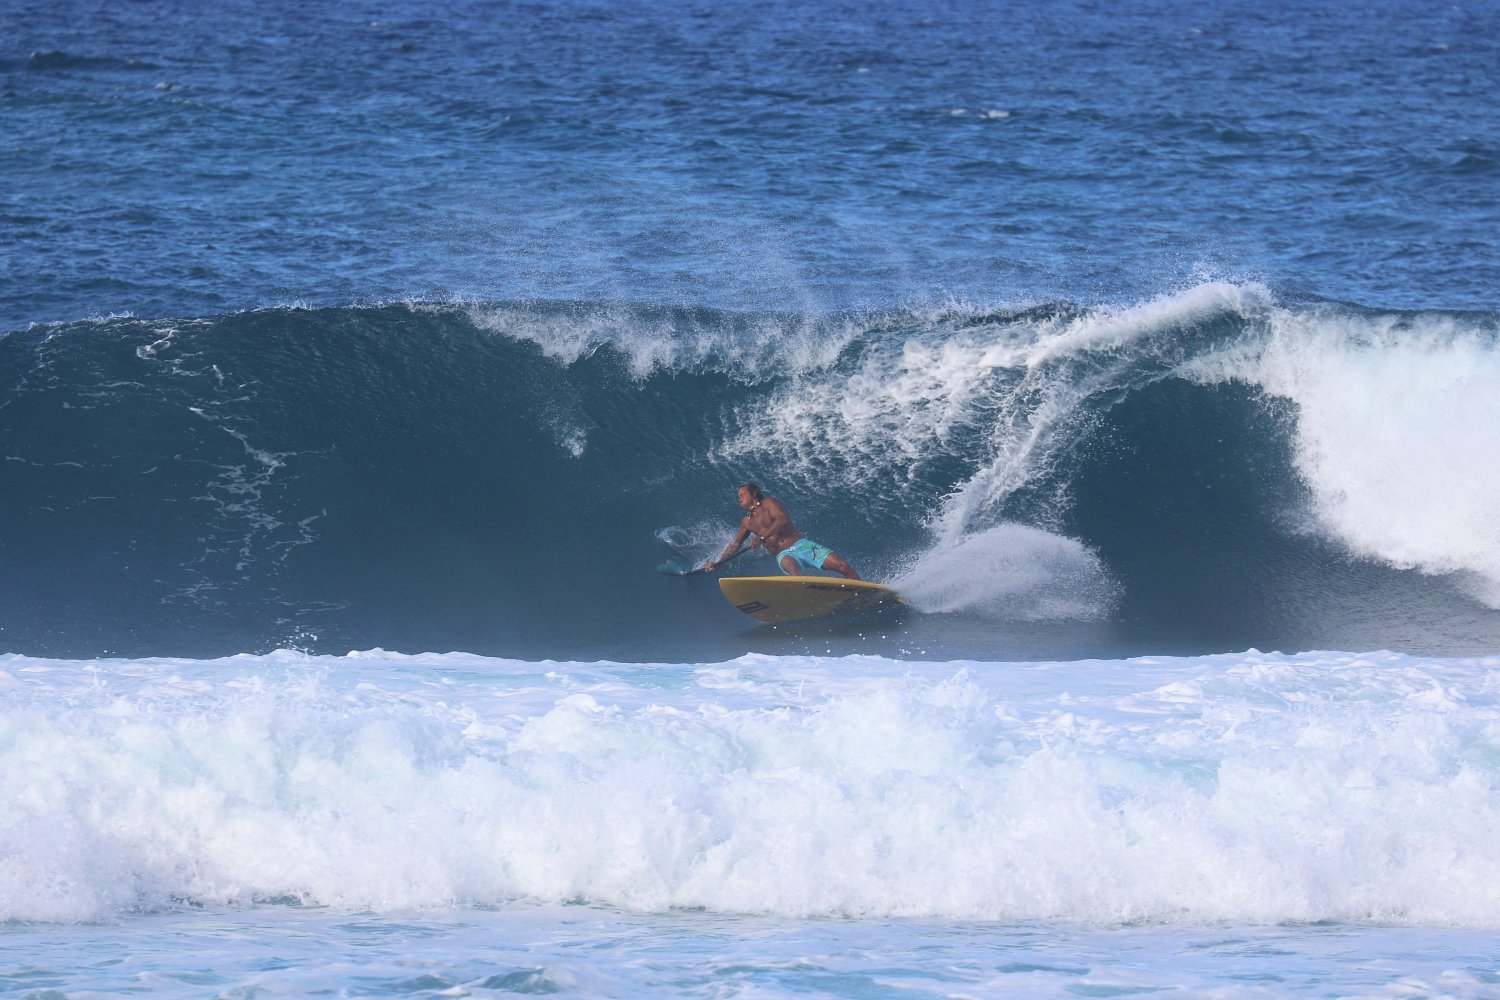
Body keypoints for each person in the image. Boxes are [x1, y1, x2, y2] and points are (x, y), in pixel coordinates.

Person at [706, 482, 862, 579]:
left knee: (843, 566)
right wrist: (718, 562)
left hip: (802, 545)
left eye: (742, 495)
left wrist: (761, 538)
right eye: (738, 497)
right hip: (783, 554)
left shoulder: (769, 503)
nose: (739, 498)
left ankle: (862, 592)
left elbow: (782, 519)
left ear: (753, 494)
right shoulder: (746, 522)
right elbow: (735, 544)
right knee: (794, 573)